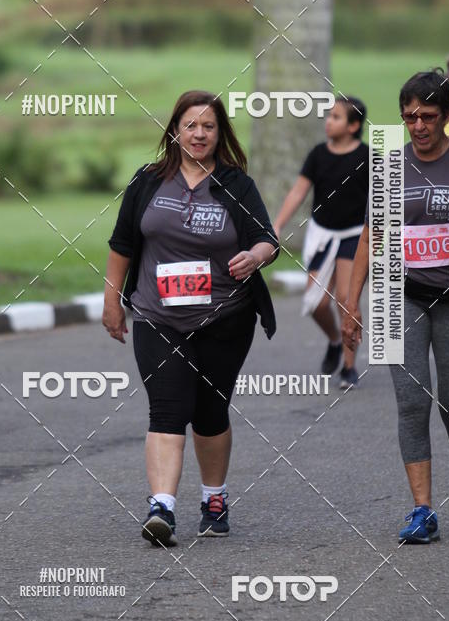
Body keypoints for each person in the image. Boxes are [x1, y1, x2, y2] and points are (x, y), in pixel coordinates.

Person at [103, 90, 279, 547]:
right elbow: (122, 244)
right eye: (191, 125)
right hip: (157, 315)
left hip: (225, 318)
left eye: (208, 126)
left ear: (220, 134)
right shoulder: (147, 181)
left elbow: (267, 238)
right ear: (175, 131)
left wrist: (255, 257)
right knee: (166, 408)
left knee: (209, 411)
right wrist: (112, 302)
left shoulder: (236, 184)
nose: (199, 134)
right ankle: (161, 507)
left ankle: (214, 498)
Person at [343, 69, 449, 544]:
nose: (418, 126)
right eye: (409, 117)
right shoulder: (389, 168)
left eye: (428, 116)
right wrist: (351, 303)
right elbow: (371, 237)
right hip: (400, 296)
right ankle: (422, 510)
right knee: (412, 403)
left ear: (447, 115)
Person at [272, 97, 369, 389]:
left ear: (353, 125)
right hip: (323, 234)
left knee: (346, 299)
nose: (328, 121)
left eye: (336, 117)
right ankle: (335, 340)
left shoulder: (369, 157)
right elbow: (298, 192)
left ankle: (349, 367)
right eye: (329, 115)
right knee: (315, 303)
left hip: (354, 235)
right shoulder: (318, 154)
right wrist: (277, 225)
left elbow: (382, 200)